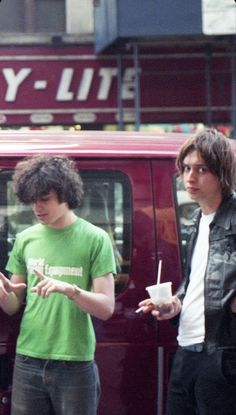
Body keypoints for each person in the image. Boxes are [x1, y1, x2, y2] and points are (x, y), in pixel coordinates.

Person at [0, 154, 116, 415]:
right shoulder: (25, 239)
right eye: (32, 200)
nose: (37, 207)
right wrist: (3, 293)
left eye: (45, 199)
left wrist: (69, 289)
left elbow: (106, 307)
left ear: (65, 194)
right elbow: (12, 305)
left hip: (74, 362)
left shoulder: (95, 239)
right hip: (29, 357)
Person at [139, 128, 236, 415]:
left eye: (201, 169)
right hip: (187, 350)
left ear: (222, 173)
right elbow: (197, 282)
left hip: (222, 357)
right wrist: (175, 304)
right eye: (186, 168)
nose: (190, 177)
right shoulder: (198, 219)